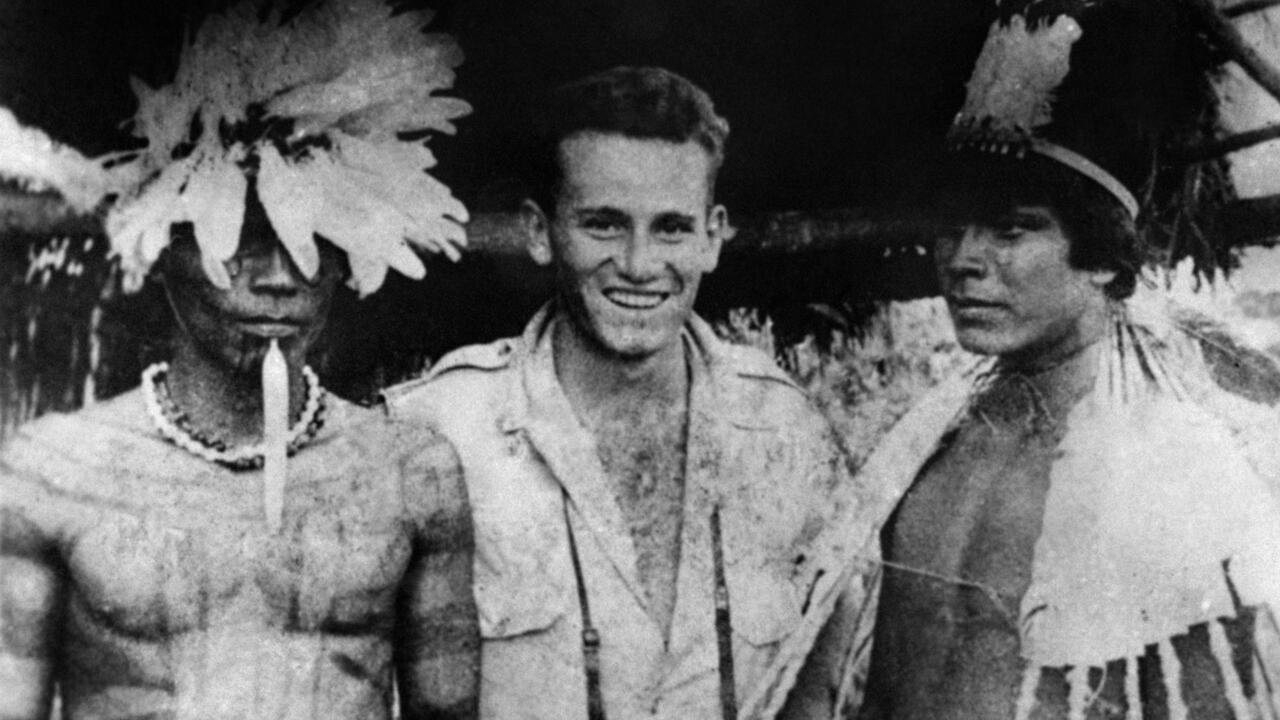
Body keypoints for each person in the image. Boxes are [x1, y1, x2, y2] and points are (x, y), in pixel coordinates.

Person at [0, 1, 479, 718]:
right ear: (163, 250)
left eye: (310, 238)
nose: (279, 277)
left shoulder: (411, 475)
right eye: (241, 239)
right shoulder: (55, 471)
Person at [385, 66, 871, 719]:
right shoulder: (440, 431)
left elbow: (838, 671)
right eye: (604, 225)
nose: (640, 265)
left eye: (671, 228)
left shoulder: (785, 426)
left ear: (712, 237)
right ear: (539, 231)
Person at [850, 2, 1280, 718]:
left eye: (1010, 231)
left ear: (1104, 260)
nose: (962, 260)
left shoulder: (1179, 474)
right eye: (951, 228)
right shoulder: (926, 450)